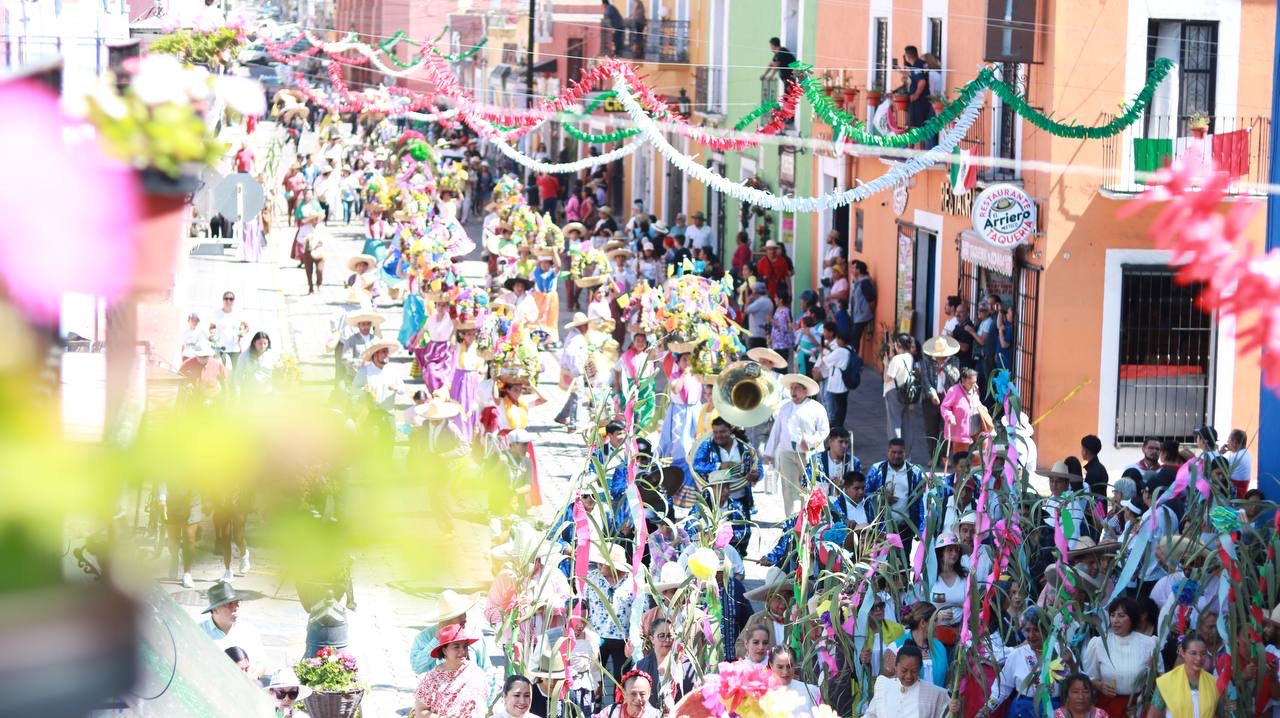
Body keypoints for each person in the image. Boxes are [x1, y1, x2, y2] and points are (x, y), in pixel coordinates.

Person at [764, 374, 830, 517]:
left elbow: (824, 431)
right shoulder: (784, 408)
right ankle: (791, 519)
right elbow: (776, 430)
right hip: (787, 453)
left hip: (809, 454)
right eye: (792, 388)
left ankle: (807, 517)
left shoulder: (816, 408)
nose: (793, 391)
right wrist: (769, 451)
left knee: (808, 487)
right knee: (788, 487)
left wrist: (811, 442)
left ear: (805, 391)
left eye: (797, 388)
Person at [1081, 598, 1157, 717]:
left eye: (1121, 616)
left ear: (1132, 618)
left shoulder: (1149, 644)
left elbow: (1159, 681)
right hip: (1107, 707)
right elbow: (1089, 677)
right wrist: (1100, 686)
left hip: (1136, 707)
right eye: (1112, 615)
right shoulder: (1099, 643)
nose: (1115, 620)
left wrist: (1153, 672)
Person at [978, 607, 1057, 718]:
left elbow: (1072, 683)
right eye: (1028, 630)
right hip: (1023, 711)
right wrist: (987, 709)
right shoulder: (1017, 655)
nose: (1031, 635)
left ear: (1045, 630)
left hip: (1053, 710)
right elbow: (1003, 687)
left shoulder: (1059, 651)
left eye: (1036, 630)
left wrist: (1072, 665)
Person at [413, 623, 490, 718]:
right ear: (444, 651)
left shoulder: (477, 674)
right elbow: (421, 712)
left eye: (465, 646)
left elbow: (484, 704)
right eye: (456, 647)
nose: (462, 651)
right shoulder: (432, 679)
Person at [865, 438, 927, 554]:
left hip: (905, 527)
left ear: (905, 453)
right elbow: (866, 494)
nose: (896, 456)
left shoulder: (915, 472)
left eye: (900, 453)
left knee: (904, 562)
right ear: (887, 452)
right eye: (893, 452)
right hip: (882, 527)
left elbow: (920, 501)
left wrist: (920, 528)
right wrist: (882, 499)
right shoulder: (876, 469)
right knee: (882, 561)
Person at [199, 581, 268, 678]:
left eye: (237, 602)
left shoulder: (249, 630)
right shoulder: (199, 633)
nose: (236, 607)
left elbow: (262, 663)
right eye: (229, 604)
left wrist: (252, 679)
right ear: (215, 609)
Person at [863, 644, 954, 718]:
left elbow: (949, 711)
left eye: (914, 671)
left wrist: (954, 708)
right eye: (904, 670)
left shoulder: (933, 694)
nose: (908, 676)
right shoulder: (884, 687)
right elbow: (870, 715)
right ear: (895, 666)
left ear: (920, 669)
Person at [1145, 632, 1218, 718]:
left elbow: (1216, 714)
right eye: (1193, 653)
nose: (1199, 658)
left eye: (1203, 653)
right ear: (1182, 652)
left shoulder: (1213, 682)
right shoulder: (1167, 682)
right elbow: (1153, 715)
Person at [634, 616, 693, 712]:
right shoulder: (639, 667)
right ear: (652, 639)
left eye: (670, 636)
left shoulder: (688, 666)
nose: (666, 640)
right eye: (661, 636)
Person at [921, 335, 962, 455]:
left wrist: (945, 367)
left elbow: (955, 378)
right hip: (931, 398)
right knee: (931, 429)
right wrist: (932, 393)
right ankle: (933, 455)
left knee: (946, 428)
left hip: (948, 399)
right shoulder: (926, 361)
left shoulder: (954, 361)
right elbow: (925, 379)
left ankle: (945, 455)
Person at [883, 333, 918, 448]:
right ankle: (907, 454)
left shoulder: (896, 360)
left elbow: (887, 378)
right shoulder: (909, 357)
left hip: (894, 392)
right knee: (907, 425)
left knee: (894, 425)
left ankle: (896, 451)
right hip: (908, 392)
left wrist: (886, 365)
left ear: (898, 345)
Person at [767, 645, 820, 716]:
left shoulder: (811, 691)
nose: (785, 672)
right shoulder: (762, 694)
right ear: (771, 665)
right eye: (780, 667)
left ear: (795, 664)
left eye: (789, 666)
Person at [939, 368, 982, 455]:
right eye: (970, 383)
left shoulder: (975, 389)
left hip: (976, 428)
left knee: (979, 457)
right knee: (960, 458)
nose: (973, 385)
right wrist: (949, 417)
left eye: (975, 382)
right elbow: (945, 407)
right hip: (961, 432)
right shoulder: (954, 391)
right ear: (963, 380)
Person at [817, 324, 852, 428]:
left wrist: (822, 352)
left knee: (836, 408)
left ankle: (836, 428)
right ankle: (838, 427)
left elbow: (826, 360)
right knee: (841, 407)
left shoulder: (840, 351)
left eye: (838, 339)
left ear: (841, 340)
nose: (836, 341)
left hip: (837, 385)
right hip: (844, 384)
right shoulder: (849, 349)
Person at [596, 671, 660, 718]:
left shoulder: (656, 715)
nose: (638, 698)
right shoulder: (610, 712)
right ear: (624, 694)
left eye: (642, 694)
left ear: (649, 694)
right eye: (633, 694)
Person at [211, 291, 247, 368]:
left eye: (231, 299)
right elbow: (212, 327)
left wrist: (242, 333)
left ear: (234, 301)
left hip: (235, 349)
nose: (228, 301)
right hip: (221, 349)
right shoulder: (216, 314)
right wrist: (214, 336)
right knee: (222, 373)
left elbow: (246, 327)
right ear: (223, 300)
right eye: (226, 298)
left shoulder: (238, 314)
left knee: (235, 372)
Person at [235, 330, 276, 398]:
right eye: (260, 343)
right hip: (251, 393)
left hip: (267, 392)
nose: (263, 346)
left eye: (265, 343)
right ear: (254, 343)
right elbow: (238, 375)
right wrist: (237, 391)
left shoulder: (271, 354)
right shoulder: (245, 356)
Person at [848, 260, 876, 353]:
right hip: (857, 315)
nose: (851, 270)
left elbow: (871, 300)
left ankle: (854, 359)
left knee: (854, 337)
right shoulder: (858, 282)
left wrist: (868, 313)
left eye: (853, 268)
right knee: (853, 337)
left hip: (862, 315)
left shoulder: (865, 283)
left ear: (859, 270)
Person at [744, 282, 774, 350]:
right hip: (763, 334)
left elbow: (746, 310)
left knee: (754, 357)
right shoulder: (769, 301)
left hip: (755, 335)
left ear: (755, 292)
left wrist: (748, 300)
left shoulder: (760, 302)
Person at [1222, 429, 1251, 497]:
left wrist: (1220, 453)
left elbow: (1219, 470)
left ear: (1234, 442)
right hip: (1243, 490)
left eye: (1228, 440)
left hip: (1235, 492)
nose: (1227, 443)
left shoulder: (1234, 457)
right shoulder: (1247, 453)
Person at [770, 287, 795, 365]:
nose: (774, 299)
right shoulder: (777, 309)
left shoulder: (785, 311)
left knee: (781, 367)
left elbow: (783, 327)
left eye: (776, 297)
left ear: (781, 299)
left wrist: (771, 320)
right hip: (776, 344)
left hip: (782, 345)